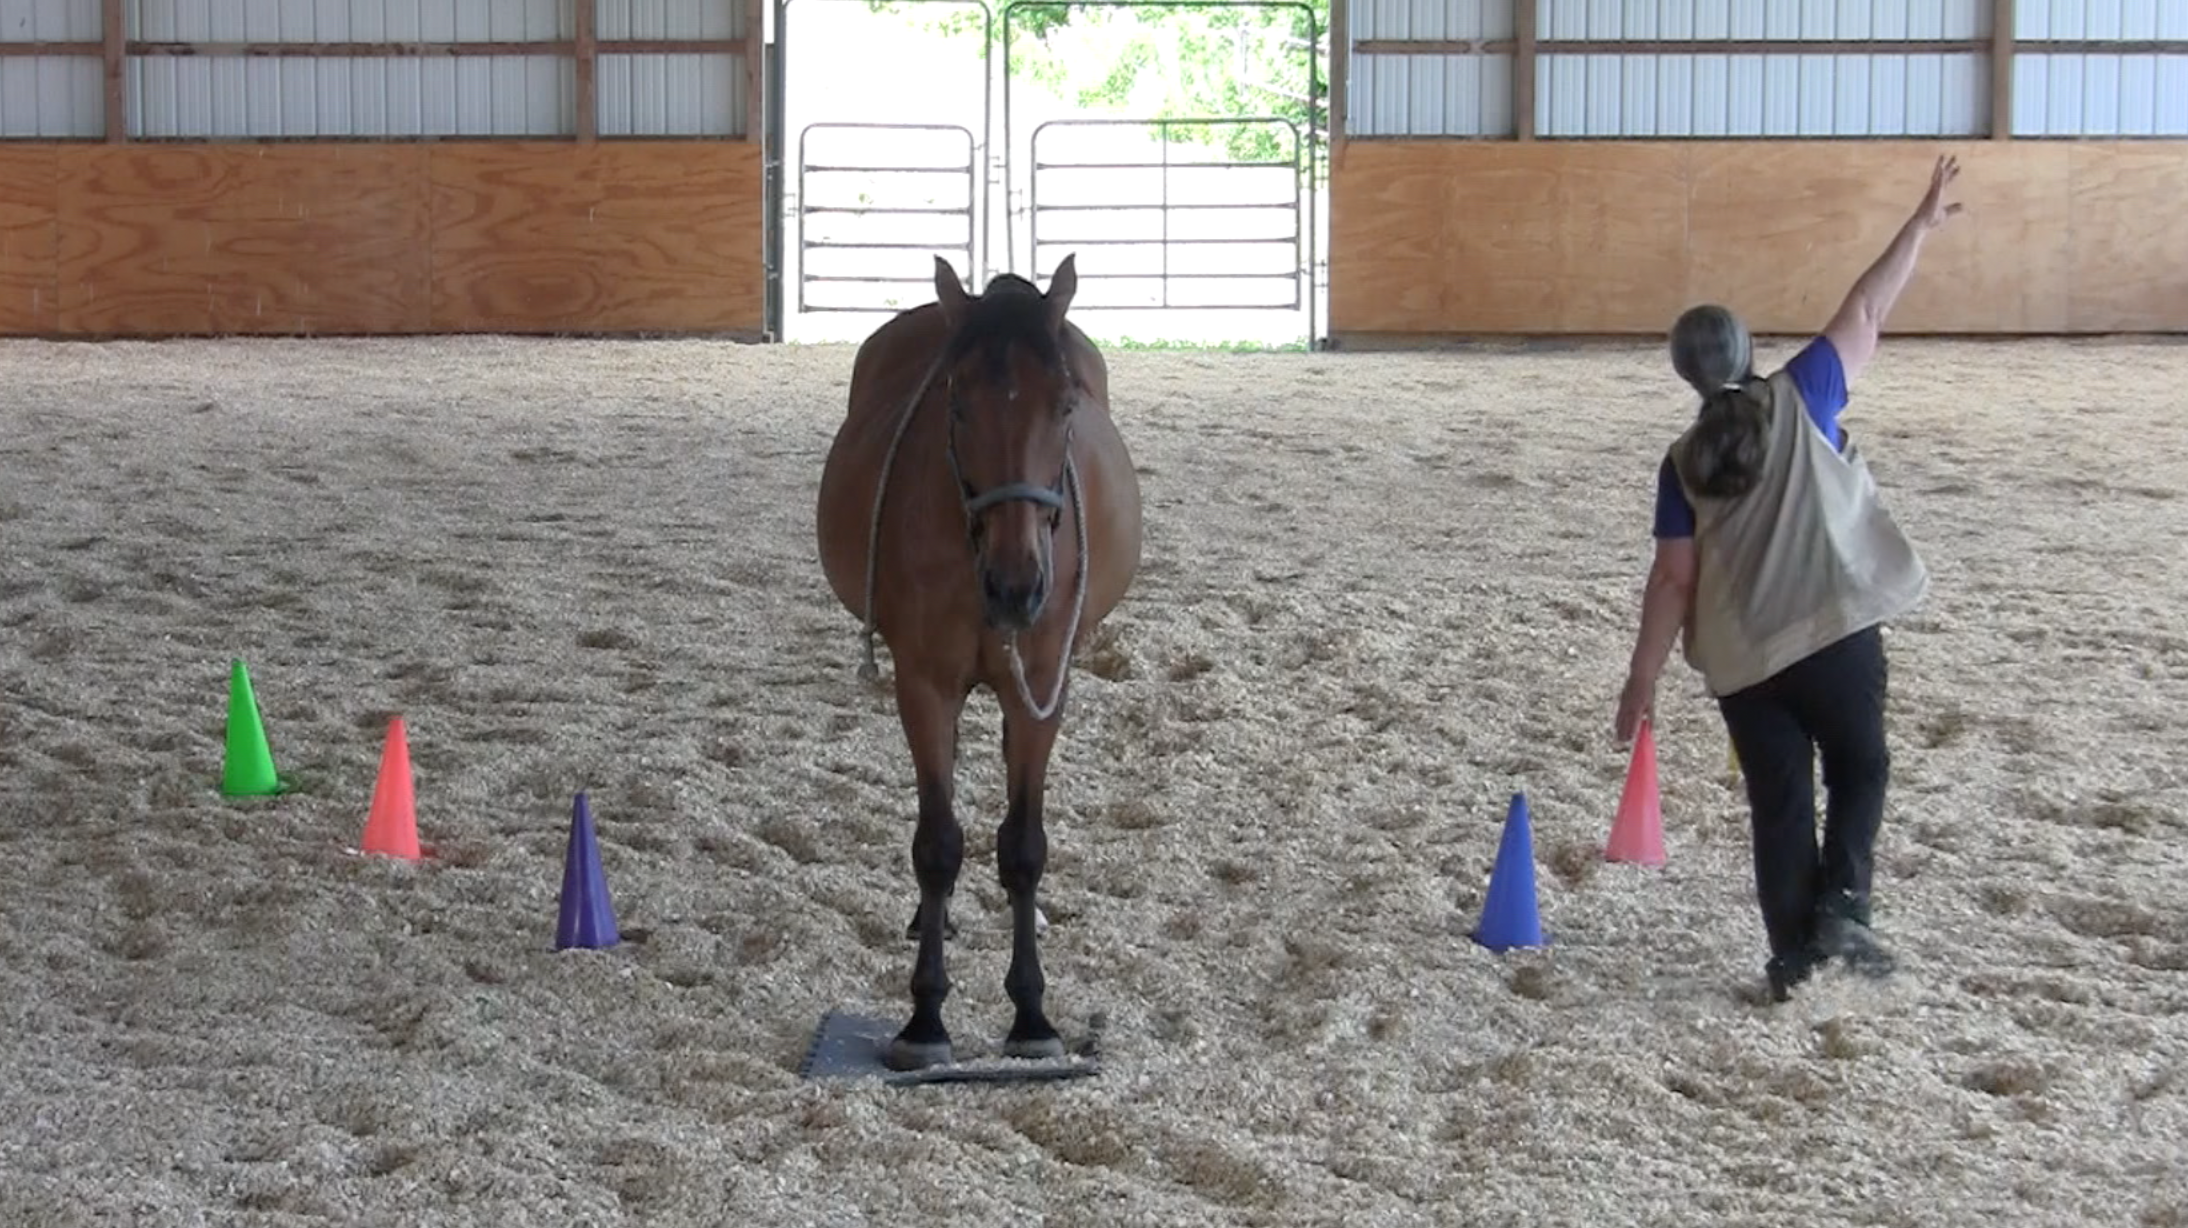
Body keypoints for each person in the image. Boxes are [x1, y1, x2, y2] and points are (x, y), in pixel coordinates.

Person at [1614, 156, 1964, 1003]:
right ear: (1748, 350)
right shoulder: (1803, 394)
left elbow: (1673, 581)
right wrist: (1917, 226)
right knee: (1861, 766)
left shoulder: (1679, 464)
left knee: (1779, 804)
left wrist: (1641, 679)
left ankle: (1792, 962)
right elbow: (1869, 305)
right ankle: (1844, 905)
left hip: (1746, 666)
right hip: (1833, 632)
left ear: (1684, 373)